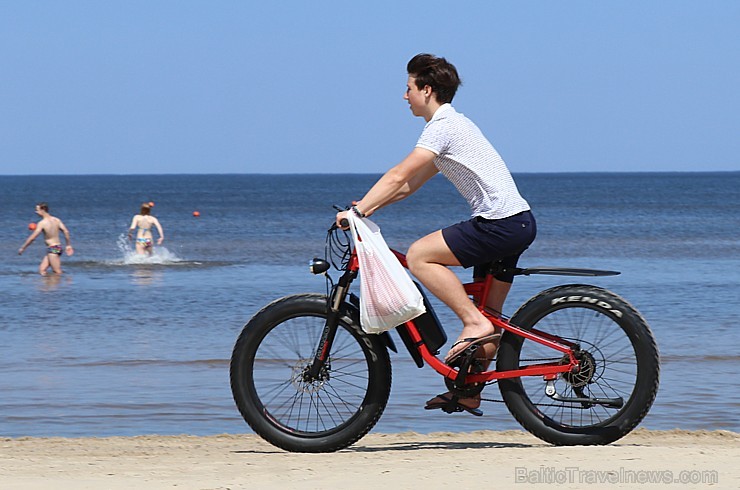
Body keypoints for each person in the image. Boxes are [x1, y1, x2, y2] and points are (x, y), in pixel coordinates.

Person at [335, 53, 536, 415]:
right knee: (490, 316)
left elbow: (398, 174)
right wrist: (368, 207)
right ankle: (469, 391)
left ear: (426, 90)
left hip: (499, 223)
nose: (404, 96)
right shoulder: (450, 127)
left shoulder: (442, 126)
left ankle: (471, 323)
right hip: (516, 223)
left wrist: (359, 211)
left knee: (418, 256)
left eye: (408, 88)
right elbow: (409, 185)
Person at [18, 202, 74, 275]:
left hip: (53, 249)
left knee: (57, 271)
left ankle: (65, 284)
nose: (36, 212)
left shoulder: (42, 223)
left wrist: (23, 248)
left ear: (43, 209)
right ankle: (48, 285)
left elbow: (32, 238)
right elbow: (66, 231)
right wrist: (68, 245)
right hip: (57, 247)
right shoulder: (57, 220)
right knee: (42, 270)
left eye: (37, 210)